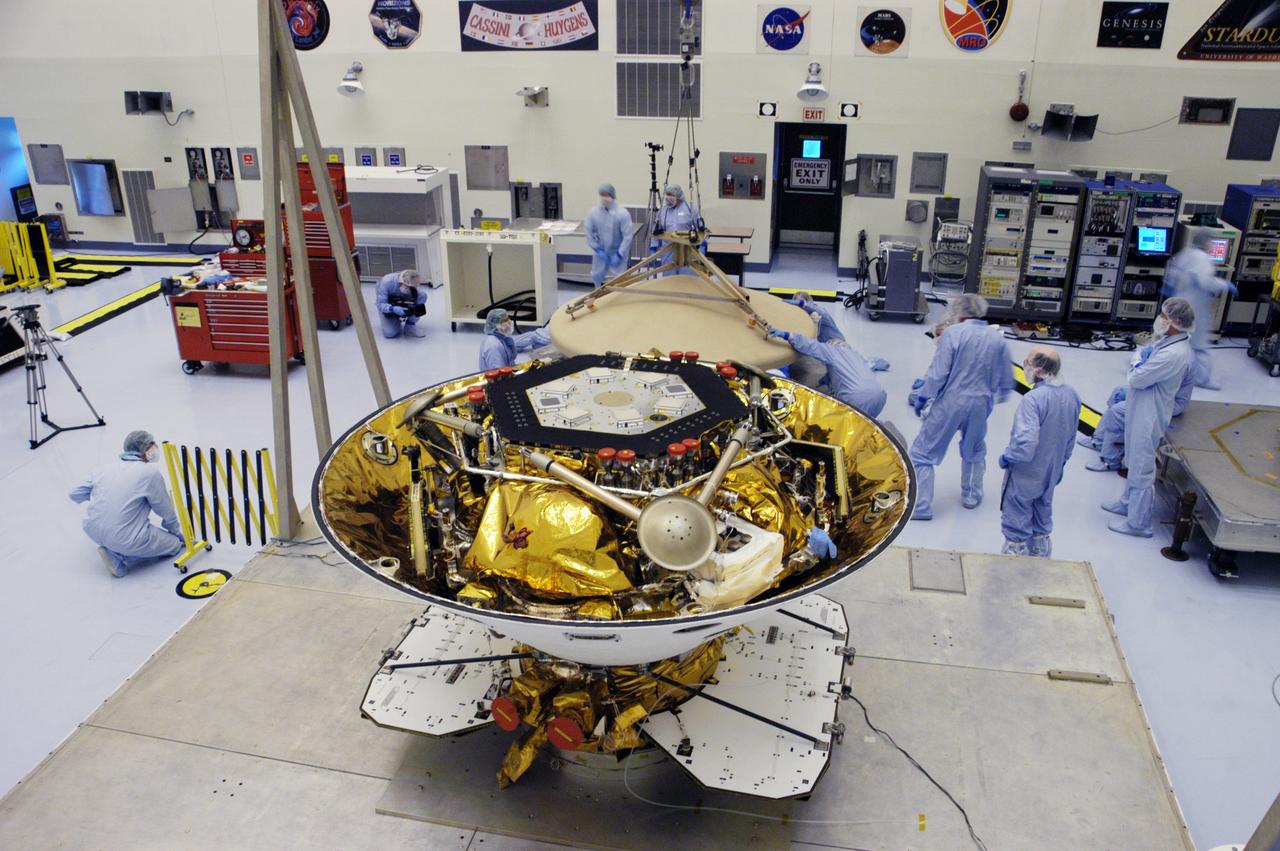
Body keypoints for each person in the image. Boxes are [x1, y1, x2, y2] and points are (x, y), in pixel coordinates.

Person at [908, 293, 1013, 520]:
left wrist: (923, 396)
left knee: (922, 453)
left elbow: (939, 372)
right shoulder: (997, 338)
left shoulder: (953, 334)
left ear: (958, 312)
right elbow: (1006, 378)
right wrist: (998, 394)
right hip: (981, 404)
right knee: (974, 449)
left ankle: (921, 507)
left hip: (952, 402)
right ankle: (972, 495)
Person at [1102, 297, 1194, 538]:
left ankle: (1138, 523)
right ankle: (1127, 503)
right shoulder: (1169, 342)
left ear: (1174, 322)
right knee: (1132, 457)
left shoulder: (1173, 353)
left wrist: (1136, 361)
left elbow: (1137, 378)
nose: (1159, 319)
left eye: (1164, 316)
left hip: (1149, 414)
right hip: (1141, 407)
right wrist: (1141, 361)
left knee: (1142, 466)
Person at [996, 348, 1080, 557]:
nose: (1025, 367)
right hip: (1051, 470)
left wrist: (1009, 457)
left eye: (1028, 363)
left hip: (1027, 470)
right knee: (1042, 514)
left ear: (1040, 370)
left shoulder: (1033, 400)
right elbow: (1070, 438)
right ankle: (1040, 559)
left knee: (1017, 513)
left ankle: (1014, 557)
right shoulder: (1071, 395)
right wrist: (1061, 464)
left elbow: (1025, 443)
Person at [69, 431, 184, 578]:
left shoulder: (103, 469)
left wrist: (101, 497)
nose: (155, 447)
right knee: (174, 546)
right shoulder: (149, 473)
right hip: (124, 538)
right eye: (151, 444)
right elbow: (164, 508)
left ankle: (112, 547)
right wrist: (175, 532)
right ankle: (118, 555)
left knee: (121, 533)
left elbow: (74, 493)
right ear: (144, 450)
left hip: (91, 529)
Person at [1079, 349, 1196, 473]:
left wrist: (1139, 373)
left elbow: (1157, 384)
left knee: (1118, 412)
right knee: (1118, 392)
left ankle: (1111, 460)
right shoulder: (1169, 344)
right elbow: (1143, 353)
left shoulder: (1182, 359)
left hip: (1169, 402)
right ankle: (1100, 441)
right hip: (1156, 392)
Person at [1161, 231, 1235, 389]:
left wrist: (1170, 289)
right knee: (1199, 346)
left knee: (1172, 339)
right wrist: (1224, 284)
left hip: (1178, 303)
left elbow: (1170, 274)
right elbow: (1205, 282)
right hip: (1195, 308)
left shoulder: (1185, 253)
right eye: (1210, 242)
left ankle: (1155, 367)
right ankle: (1202, 379)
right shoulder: (1202, 258)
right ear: (1205, 242)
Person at [770, 328, 887, 416]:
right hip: (880, 395)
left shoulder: (832, 351)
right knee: (869, 421)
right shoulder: (855, 355)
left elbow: (810, 346)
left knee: (849, 423)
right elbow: (871, 364)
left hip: (856, 398)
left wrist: (787, 335)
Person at [785, 291, 890, 388]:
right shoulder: (798, 318)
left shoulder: (820, 313)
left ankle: (871, 363)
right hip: (823, 349)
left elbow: (817, 313)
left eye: (801, 303)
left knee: (850, 367)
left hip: (836, 345)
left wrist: (804, 306)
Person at [584, 183, 633, 287]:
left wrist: (620, 253)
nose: (604, 198)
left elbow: (627, 236)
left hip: (618, 251)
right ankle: (597, 294)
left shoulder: (622, 213)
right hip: (601, 251)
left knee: (619, 278)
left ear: (612, 196)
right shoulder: (593, 213)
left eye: (607, 195)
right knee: (597, 275)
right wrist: (597, 249)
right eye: (602, 195)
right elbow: (588, 232)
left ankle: (619, 298)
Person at [650, 184, 701, 275]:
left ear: (678, 196)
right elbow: (656, 231)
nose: (668, 197)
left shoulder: (690, 209)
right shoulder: (662, 211)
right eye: (667, 194)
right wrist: (653, 248)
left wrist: (702, 247)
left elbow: (700, 230)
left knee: (687, 281)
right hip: (668, 252)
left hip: (687, 251)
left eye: (671, 195)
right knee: (669, 281)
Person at [479, 308, 551, 371]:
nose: (510, 322)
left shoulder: (502, 339)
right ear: (497, 325)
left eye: (508, 319)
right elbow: (499, 373)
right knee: (533, 336)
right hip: (502, 378)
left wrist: (512, 348)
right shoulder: (493, 347)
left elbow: (511, 359)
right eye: (506, 320)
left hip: (508, 370)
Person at [375, 269, 427, 339]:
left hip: (402, 301)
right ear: (404, 282)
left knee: (422, 295)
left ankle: (410, 325)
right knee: (390, 333)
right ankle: (396, 319)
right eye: (412, 286)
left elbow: (417, 295)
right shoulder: (386, 282)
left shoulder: (412, 281)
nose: (415, 288)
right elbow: (380, 304)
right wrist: (392, 309)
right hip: (390, 305)